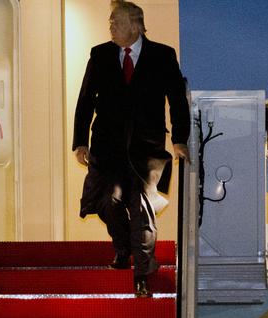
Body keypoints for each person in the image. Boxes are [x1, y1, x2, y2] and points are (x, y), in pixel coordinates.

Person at [72, 0, 190, 297]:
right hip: (106, 147)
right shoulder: (99, 54)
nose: (110, 26)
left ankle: (142, 273)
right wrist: (80, 141)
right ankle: (124, 248)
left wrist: (179, 139)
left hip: (146, 149)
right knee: (105, 202)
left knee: (142, 210)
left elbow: (177, 100)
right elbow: (85, 99)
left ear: (135, 25)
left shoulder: (163, 55)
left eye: (116, 21)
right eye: (110, 21)